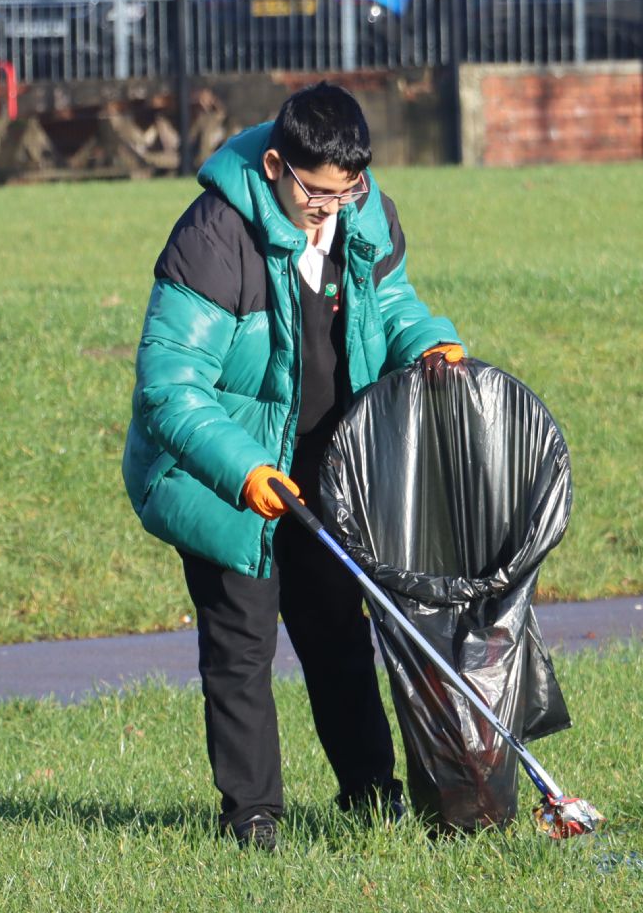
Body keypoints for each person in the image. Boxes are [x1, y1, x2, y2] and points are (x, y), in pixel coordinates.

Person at [121, 83, 465, 850]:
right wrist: (244, 471)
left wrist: (428, 341)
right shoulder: (212, 238)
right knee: (241, 647)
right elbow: (167, 389)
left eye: (345, 193)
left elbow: (391, 300)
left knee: (339, 631)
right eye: (314, 193)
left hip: (327, 463)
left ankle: (372, 798)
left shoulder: (359, 209)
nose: (329, 210)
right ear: (276, 165)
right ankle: (253, 817)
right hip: (222, 471)